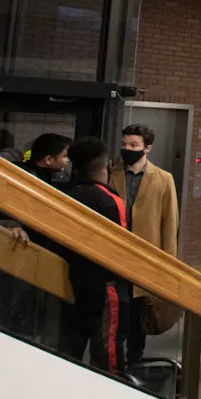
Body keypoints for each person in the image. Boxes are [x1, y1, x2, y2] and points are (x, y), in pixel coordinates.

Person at [109, 124, 181, 365]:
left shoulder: (163, 179)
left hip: (145, 256)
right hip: (116, 253)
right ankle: (116, 361)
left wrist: (167, 263)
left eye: (133, 145)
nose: (127, 149)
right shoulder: (112, 174)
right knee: (118, 310)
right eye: (125, 144)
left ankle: (135, 359)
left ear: (147, 148)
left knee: (140, 312)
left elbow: (169, 223)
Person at [60, 137, 132, 374]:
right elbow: (120, 247)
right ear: (107, 166)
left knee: (70, 346)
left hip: (68, 281)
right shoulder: (109, 200)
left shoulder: (65, 195)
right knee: (107, 348)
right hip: (105, 286)